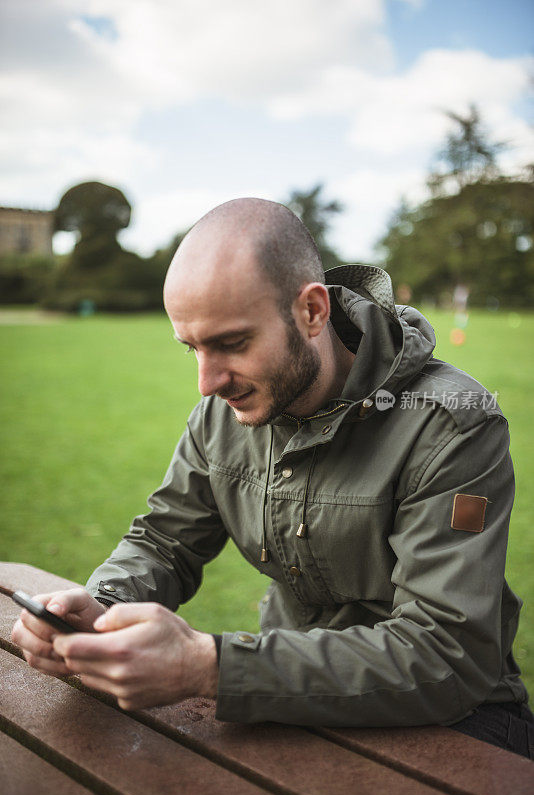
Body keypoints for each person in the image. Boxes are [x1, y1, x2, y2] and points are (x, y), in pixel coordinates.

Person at [12, 198, 533, 758]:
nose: (206, 382)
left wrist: (212, 667)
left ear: (312, 311)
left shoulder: (452, 423)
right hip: (288, 706)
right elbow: (164, 542)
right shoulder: (222, 414)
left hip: (460, 730)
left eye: (231, 343)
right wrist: (100, 604)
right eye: (191, 348)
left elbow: (445, 655)